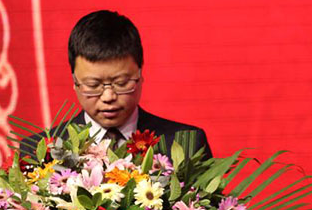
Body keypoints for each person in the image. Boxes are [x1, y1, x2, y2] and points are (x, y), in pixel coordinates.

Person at [66, 10, 212, 158]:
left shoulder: (187, 144)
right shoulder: (52, 147)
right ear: (75, 81)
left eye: (121, 83)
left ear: (140, 75)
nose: (108, 97)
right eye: (93, 85)